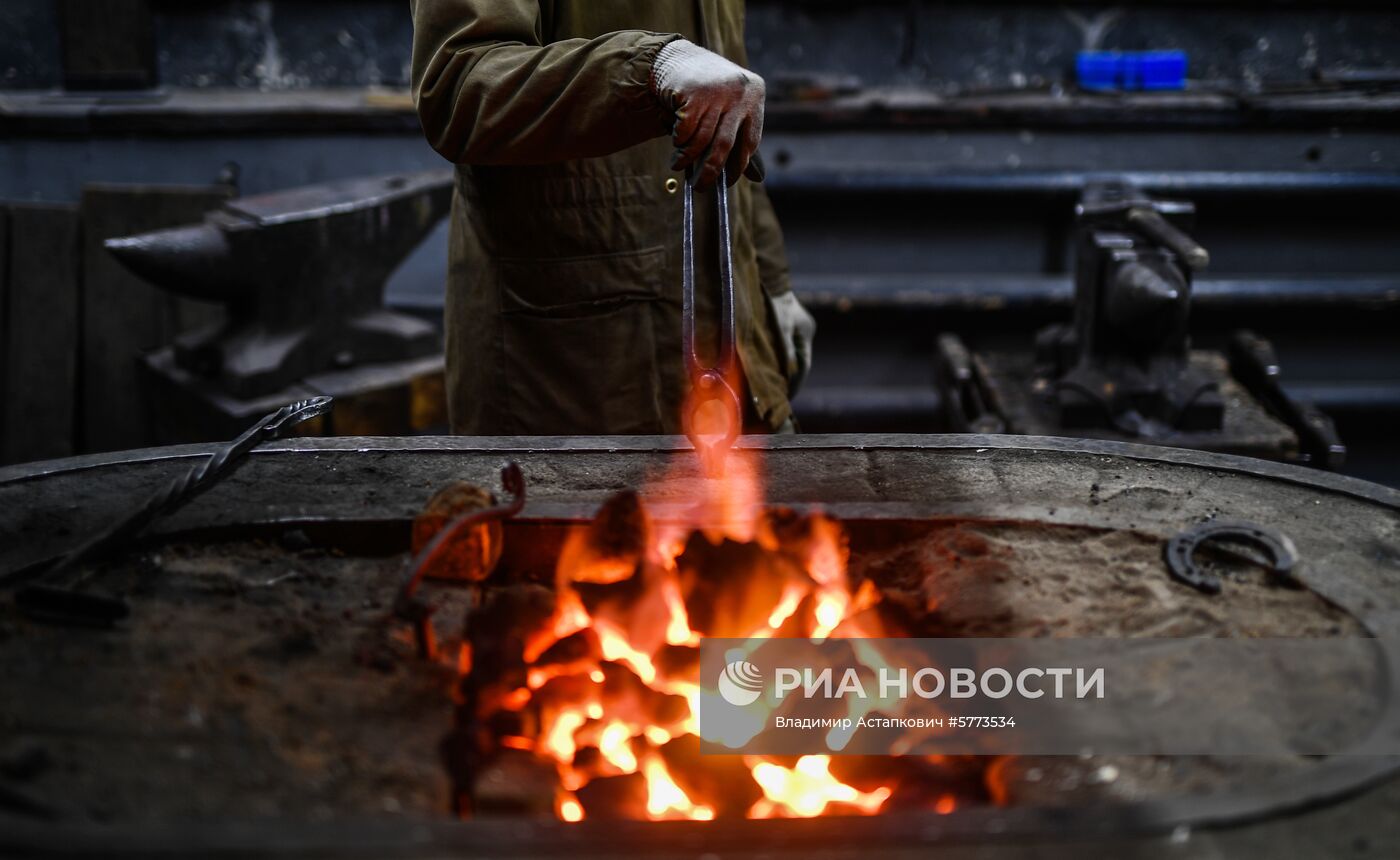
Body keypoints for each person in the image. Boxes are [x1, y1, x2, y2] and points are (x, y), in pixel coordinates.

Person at [409, 0, 815, 435]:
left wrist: (770, 282)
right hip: (575, 382)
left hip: (741, 369)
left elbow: (726, 102)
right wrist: (651, 67)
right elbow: (460, 84)